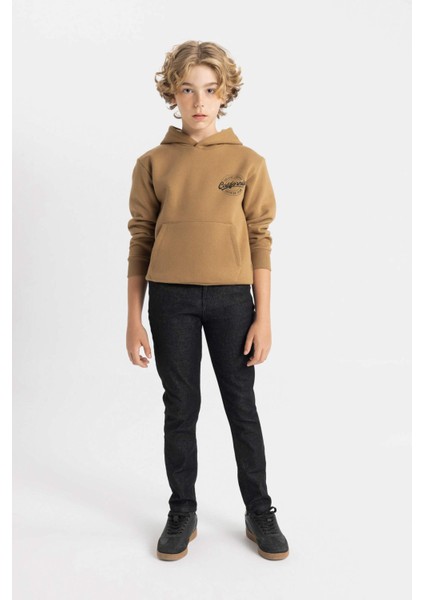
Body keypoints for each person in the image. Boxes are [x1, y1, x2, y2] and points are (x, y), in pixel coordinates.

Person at [126, 40, 289, 562]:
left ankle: (259, 510)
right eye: (188, 89)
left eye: (211, 90)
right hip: (169, 300)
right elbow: (141, 238)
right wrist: (133, 319)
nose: (200, 101)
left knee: (242, 406)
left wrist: (264, 317)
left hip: (232, 302)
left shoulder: (248, 162)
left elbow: (260, 237)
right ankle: (182, 510)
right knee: (181, 407)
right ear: (172, 94)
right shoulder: (153, 163)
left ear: (225, 94)